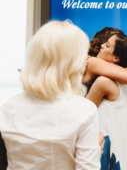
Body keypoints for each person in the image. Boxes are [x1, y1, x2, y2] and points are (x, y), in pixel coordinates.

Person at [0, 21, 101, 170]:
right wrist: (93, 153)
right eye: (83, 55)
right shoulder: (84, 110)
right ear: (71, 61)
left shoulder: (8, 106)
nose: (86, 62)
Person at [83, 34, 127, 170]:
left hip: (107, 147)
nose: (102, 46)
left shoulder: (104, 81)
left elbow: (82, 115)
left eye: (107, 45)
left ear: (116, 58)